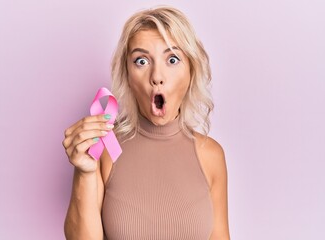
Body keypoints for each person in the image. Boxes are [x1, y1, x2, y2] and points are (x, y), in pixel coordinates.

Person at [62, 6, 230, 240]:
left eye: (172, 59)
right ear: (127, 75)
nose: (156, 76)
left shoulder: (211, 155)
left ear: (191, 70)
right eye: (141, 61)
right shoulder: (104, 151)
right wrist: (84, 170)